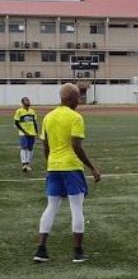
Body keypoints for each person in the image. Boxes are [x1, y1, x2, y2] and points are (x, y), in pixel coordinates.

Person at [33, 83, 100, 263]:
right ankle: (77, 252)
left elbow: (45, 146)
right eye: (78, 97)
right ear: (71, 99)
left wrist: (50, 164)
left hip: (54, 166)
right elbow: (76, 147)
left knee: (51, 207)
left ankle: (41, 250)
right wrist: (92, 167)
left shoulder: (48, 117)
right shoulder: (76, 117)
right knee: (76, 208)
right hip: (71, 166)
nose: (80, 100)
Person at [13, 97, 38, 172]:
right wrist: (24, 131)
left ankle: (28, 164)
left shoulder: (32, 111)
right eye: (26, 100)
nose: (28, 101)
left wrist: (36, 132)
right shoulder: (19, 111)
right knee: (24, 147)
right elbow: (17, 123)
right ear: (22, 103)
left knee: (30, 148)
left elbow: (34, 122)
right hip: (23, 133)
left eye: (28, 100)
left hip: (32, 132)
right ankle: (24, 164)